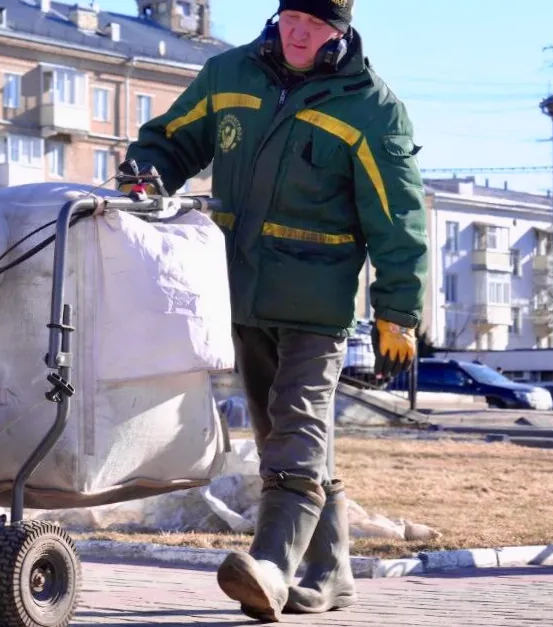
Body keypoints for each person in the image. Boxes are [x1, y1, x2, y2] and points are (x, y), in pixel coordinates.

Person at [117, 0, 428, 622]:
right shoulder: (230, 75)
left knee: (296, 435)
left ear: (339, 31)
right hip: (239, 294)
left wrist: (398, 312)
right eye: (290, 19)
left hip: (317, 307)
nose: (297, 33)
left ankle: (270, 565)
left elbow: (398, 216)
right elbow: (172, 142)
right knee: (282, 441)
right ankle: (331, 574)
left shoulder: (371, 108)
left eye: (313, 25)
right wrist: (145, 177)